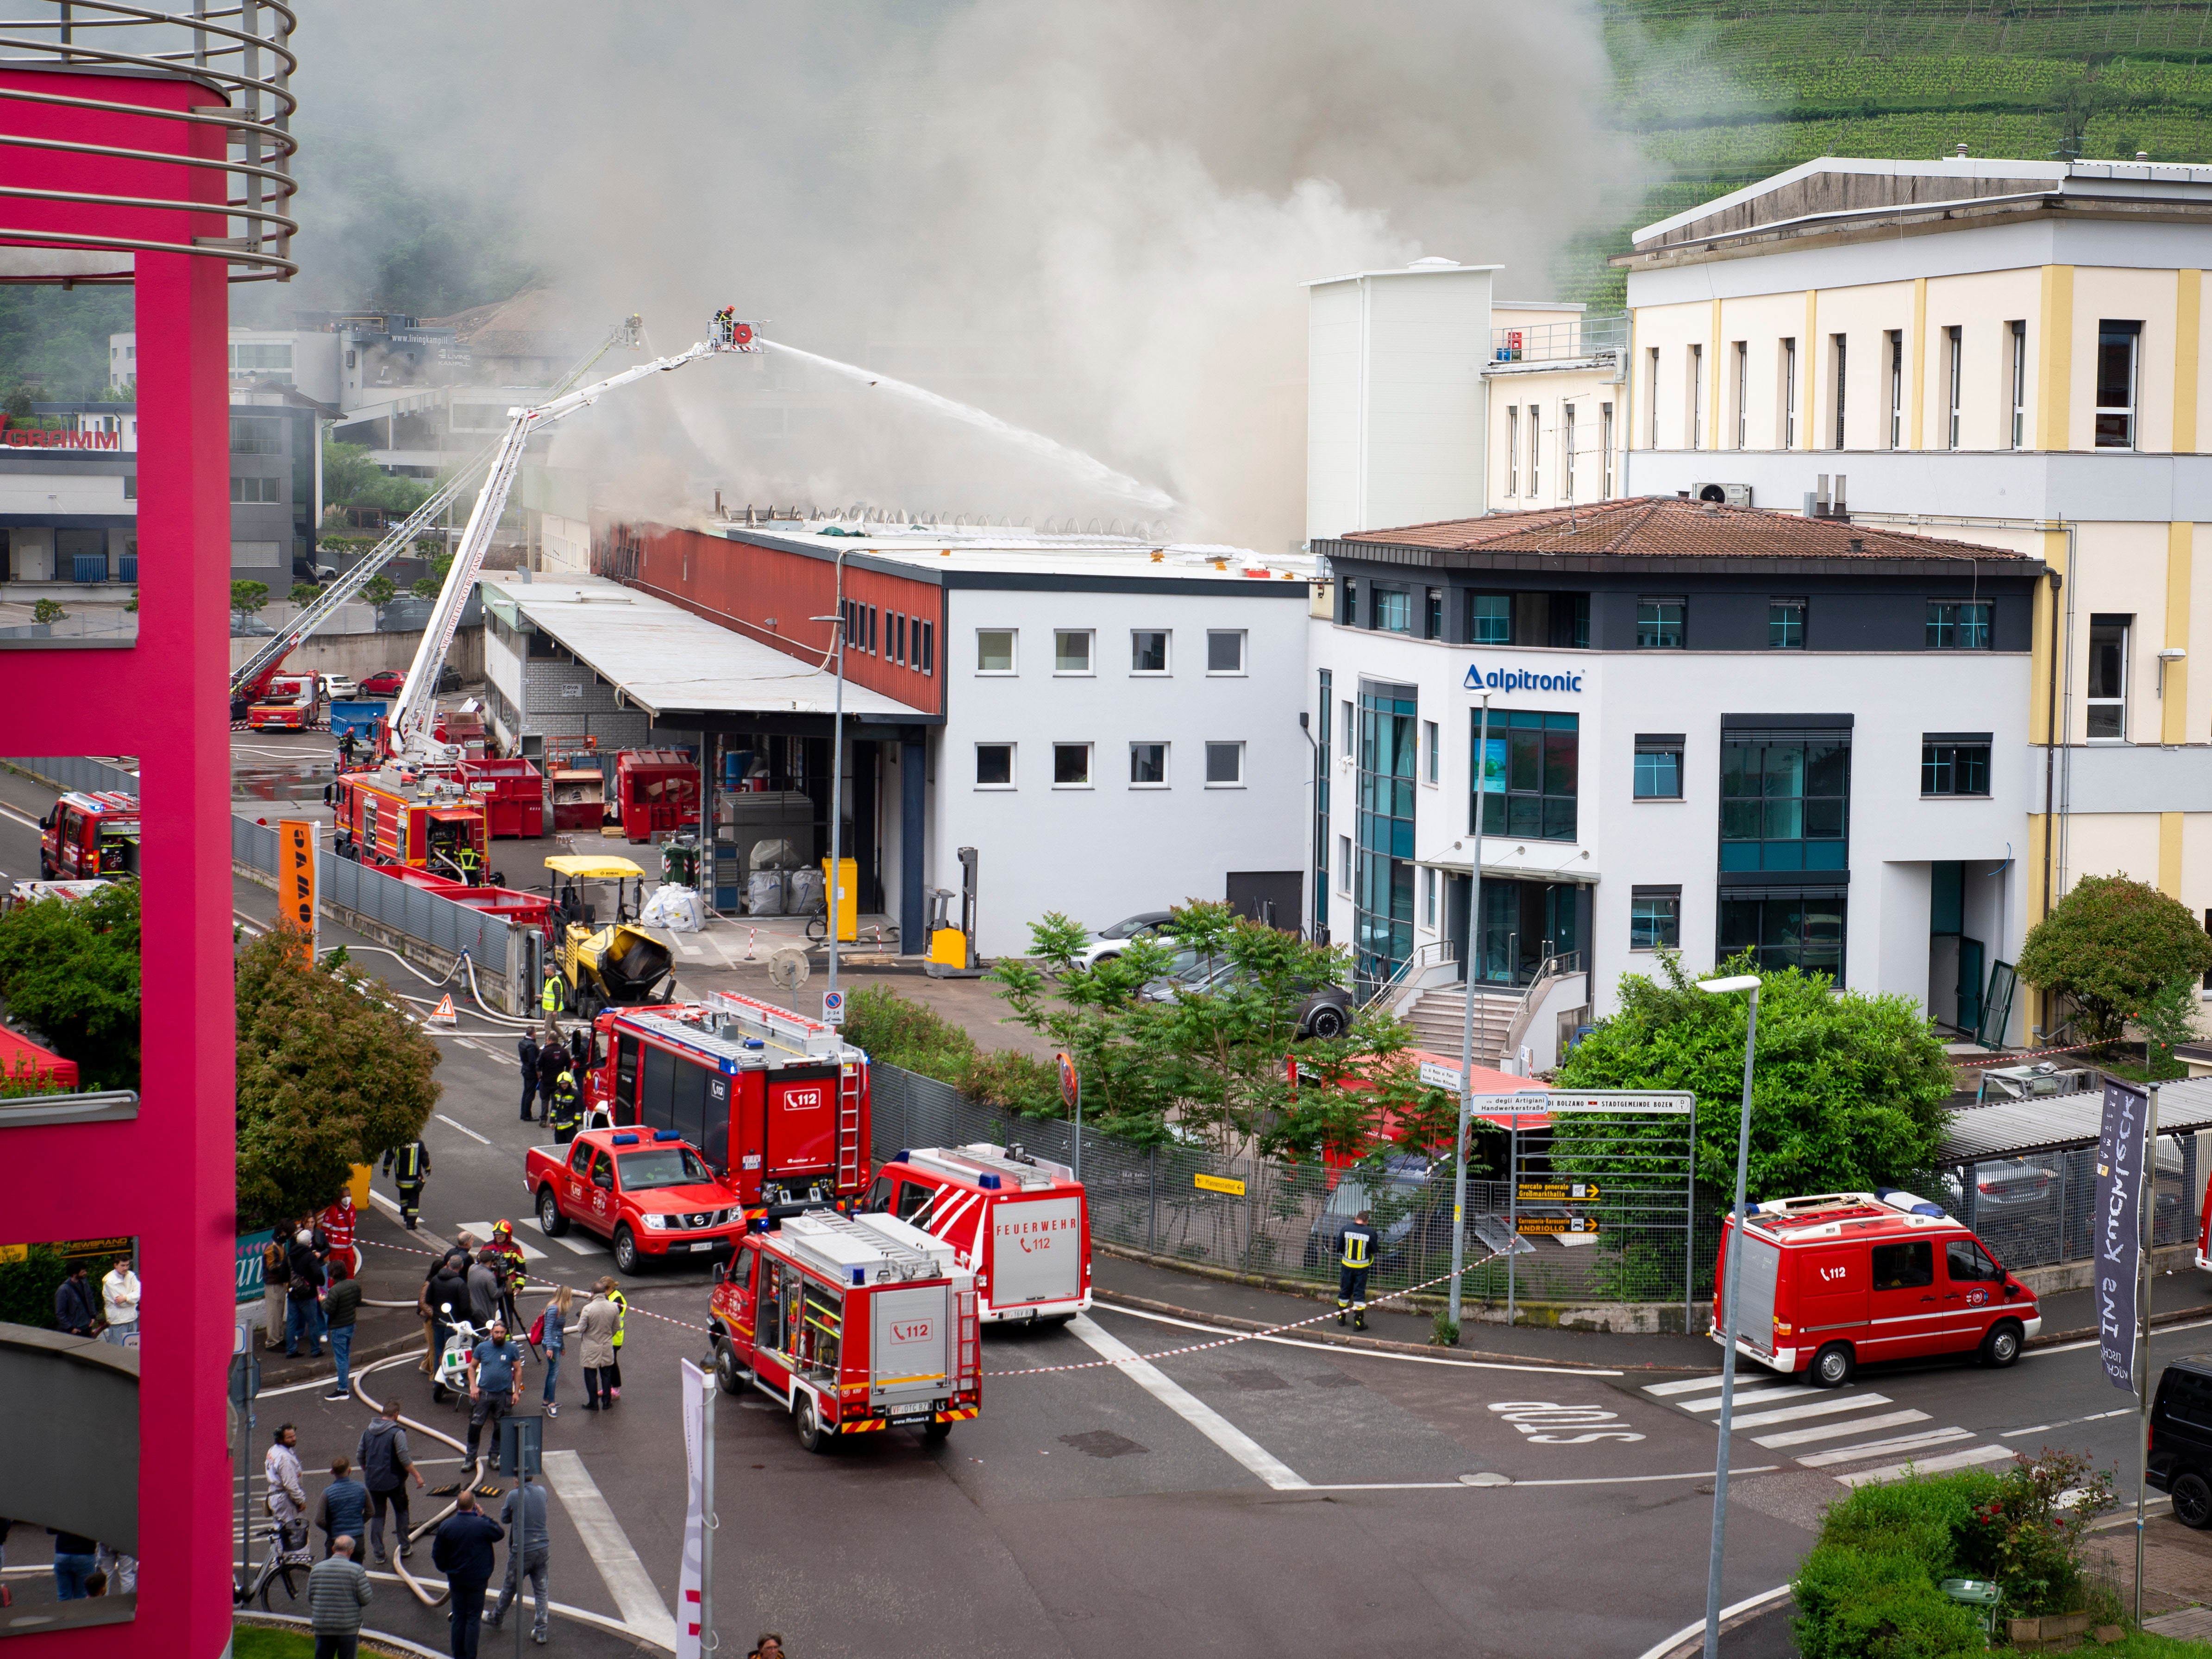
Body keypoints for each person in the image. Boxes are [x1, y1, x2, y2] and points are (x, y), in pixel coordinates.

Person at [430, 1489, 504, 1659]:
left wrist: (445, 1569)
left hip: (456, 1578)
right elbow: (499, 1533)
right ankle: (470, 1656)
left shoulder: (446, 1526)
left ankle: (458, 1655)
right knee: (472, 1618)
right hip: (478, 1579)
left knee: (458, 1617)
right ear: (474, 1506)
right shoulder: (482, 1525)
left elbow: (437, 1554)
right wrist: (484, 1516)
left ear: (456, 1506)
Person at [358, 1396, 424, 1566]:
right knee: (401, 1512)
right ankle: (405, 1546)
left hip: (373, 1483)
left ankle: (379, 1554)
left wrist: (368, 1470)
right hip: (394, 1482)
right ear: (396, 1415)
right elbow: (404, 1458)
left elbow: (360, 1455)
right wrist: (417, 1476)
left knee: (378, 1517)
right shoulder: (397, 1433)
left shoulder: (367, 1431)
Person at [485, 1475, 550, 1645]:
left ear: (517, 1479)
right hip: (542, 1547)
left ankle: (497, 1618)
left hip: (522, 1551)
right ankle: (541, 1631)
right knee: (541, 1589)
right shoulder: (542, 1491)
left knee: (510, 1587)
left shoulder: (514, 1495)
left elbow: (505, 1518)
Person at [464, 1318, 524, 1475]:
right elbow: (472, 1367)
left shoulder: (512, 1349)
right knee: (475, 1426)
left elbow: (518, 1370)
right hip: (484, 1393)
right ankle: (470, 1458)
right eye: (496, 1332)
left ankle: (494, 1457)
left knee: (500, 1428)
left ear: (506, 1334)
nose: (499, 1335)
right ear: (491, 1333)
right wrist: (473, 1387)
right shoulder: (482, 1348)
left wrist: (516, 1392)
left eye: (502, 1333)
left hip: (504, 1395)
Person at [307, 1533, 373, 1659]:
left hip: (323, 1626)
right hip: (347, 1627)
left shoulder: (316, 1569)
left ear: (333, 1549)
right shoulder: (357, 1570)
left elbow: (311, 1597)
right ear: (351, 1551)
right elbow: (366, 1599)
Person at [428, 1250, 471, 1402]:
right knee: (454, 1353)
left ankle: (437, 1381)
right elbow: (466, 1308)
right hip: (454, 1324)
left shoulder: (435, 1280)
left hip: (438, 1321)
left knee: (439, 1352)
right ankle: (452, 1380)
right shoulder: (460, 1283)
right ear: (461, 1267)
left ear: (448, 1265)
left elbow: (429, 1299)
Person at [266, 1423, 308, 1561]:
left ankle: (278, 1559)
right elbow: (290, 1484)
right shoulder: (284, 1458)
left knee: (280, 1529)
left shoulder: (274, 1450)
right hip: (285, 1498)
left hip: (275, 1495)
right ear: (280, 1439)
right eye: (289, 1437)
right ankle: (300, 1561)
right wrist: (300, 1501)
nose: (294, 1439)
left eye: (294, 1436)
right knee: (297, 1530)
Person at [313, 1457, 369, 1560]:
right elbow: (371, 1511)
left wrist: (332, 1529)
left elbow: (319, 1520)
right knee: (356, 1571)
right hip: (357, 1539)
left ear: (332, 1472)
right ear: (350, 1471)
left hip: (336, 1540)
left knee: (334, 1572)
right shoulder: (361, 1488)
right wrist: (359, 1522)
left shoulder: (327, 1493)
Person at [324, 1258, 362, 1401]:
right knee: (345, 1356)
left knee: (341, 1358)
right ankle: (343, 1385)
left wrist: (322, 1301)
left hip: (338, 1328)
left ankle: (343, 1389)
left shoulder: (334, 1291)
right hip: (351, 1324)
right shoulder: (354, 1285)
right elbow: (358, 1302)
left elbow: (329, 1310)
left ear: (333, 1275)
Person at [287, 1226, 329, 1358]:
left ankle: (291, 1350)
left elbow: (284, 1273)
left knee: (292, 1322)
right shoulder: (309, 1256)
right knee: (313, 1322)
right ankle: (316, 1350)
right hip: (308, 1294)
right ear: (309, 1242)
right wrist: (320, 1283)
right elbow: (318, 1273)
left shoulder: (290, 1255)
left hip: (293, 1294)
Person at [577, 1283, 619, 1410]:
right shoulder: (614, 1307)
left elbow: (581, 1328)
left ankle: (593, 1403)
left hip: (591, 1347)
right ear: (605, 1293)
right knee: (606, 1375)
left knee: (590, 1375)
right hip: (606, 1346)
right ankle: (607, 1402)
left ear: (592, 1293)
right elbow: (617, 1327)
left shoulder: (588, 1309)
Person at [1337, 1209, 1377, 1331]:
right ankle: (1358, 1323)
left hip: (1347, 1267)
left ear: (1356, 1218)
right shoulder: (1370, 1232)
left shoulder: (1345, 1229)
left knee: (1345, 1291)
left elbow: (1339, 1247)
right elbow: (1375, 1250)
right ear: (1366, 1221)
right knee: (1359, 1293)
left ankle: (1341, 1319)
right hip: (1362, 1269)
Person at [538, 1285, 573, 1418]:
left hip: (556, 1343)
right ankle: (551, 1404)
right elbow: (548, 1329)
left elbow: (559, 1330)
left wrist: (562, 1346)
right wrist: (550, 1348)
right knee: (554, 1373)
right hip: (552, 1344)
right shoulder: (554, 1309)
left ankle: (546, 1400)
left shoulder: (558, 1309)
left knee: (552, 1372)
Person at [488, 1221, 528, 1335]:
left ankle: (507, 1336)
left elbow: (521, 1268)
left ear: (508, 1235)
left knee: (507, 1312)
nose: (498, 1236)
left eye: (501, 1234)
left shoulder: (515, 1248)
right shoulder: (488, 1246)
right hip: (491, 1284)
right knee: (488, 1311)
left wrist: (520, 1286)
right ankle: (489, 1335)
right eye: (496, 1234)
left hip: (508, 1286)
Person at [384, 1138, 430, 1231]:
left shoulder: (395, 1143)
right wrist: (428, 1168)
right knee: (413, 1200)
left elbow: (389, 1157)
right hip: (414, 1180)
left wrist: (386, 1169)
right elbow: (424, 1158)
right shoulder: (419, 1143)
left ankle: (405, 1215)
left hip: (401, 1179)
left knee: (404, 1198)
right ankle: (411, 1223)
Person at [99, 1255, 140, 1347]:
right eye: (123, 1265)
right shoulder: (109, 1281)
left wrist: (126, 1298)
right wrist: (133, 1298)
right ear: (115, 1265)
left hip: (132, 1319)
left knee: (133, 1349)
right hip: (118, 1321)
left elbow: (140, 1293)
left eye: (127, 1265)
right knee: (117, 1350)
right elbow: (122, 1305)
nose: (126, 1268)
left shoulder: (131, 1276)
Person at [321, 1189, 360, 1279]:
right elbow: (324, 1231)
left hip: (349, 1248)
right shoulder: (333, 1211)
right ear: (339, 1197)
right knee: (334, 1273)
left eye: (349, 1196)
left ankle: (350, 1287)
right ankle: (332, 1290)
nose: (347, 1198)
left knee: (350, 1270)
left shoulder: (353, 1209)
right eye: (344, 1196)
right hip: (336, 1250)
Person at [46, 1530, 96, 1600]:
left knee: (63, 1596)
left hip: (62, 1554)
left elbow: (51, 1530)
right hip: (85, 1553)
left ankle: (63, 1611)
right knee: (82, 1596)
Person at [263, 1234, 292, 1350]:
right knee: (274, 1313)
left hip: (279, 1282)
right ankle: (272, 1342)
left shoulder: (280, 1245)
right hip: (273, 1283)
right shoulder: (273, 1246)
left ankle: (278, 1338)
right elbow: (272, 1267)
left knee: (279, 1312)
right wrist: (286, 1265)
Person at [53, 1262, 97, 1337]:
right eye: (83, 1272)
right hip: (76, 1329)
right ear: (74, 1274)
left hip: (87, 1327)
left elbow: (90, 1299)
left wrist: (93, 1316)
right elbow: (60, 1313)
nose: (85, 1273)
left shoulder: (84, 1283)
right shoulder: (64, 1290)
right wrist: (70, 1328)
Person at [466, 1248, 502, 1334]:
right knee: (485, 1335)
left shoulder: (472, 1268)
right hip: (485, 1313)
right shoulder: (490, 1276)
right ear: (492, 1261)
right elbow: (495, 1294)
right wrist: (503, 1289)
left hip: (473, 1308)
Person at [605, 1277, 628, 1400]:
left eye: (604, 1290)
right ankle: (608, 1386)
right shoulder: (610, 1296)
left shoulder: (617, 1299)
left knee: (612, 1363)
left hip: (615, 1337)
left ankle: (615, 1389)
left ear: (610, 1288)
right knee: (608, 1363)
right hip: (610, 1336)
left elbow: (612, 1316)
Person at [546, 1068, 582, 1146]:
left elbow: (579, 1110)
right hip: (559, 1128)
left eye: (566, 1083)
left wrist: (575, 1123)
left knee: (570, 1146)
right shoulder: (557, 1094)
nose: (564, 1085)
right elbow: (554, 1109)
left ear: (569, 1083)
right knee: (559, 1146)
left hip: (570, 1128)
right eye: (562, 1084)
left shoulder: (576, 1094)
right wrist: (552, 1121)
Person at [516, 1032, 541, 1122]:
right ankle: (527, 1115)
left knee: (526, 1092)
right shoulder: (532, 1046)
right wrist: (538, 1073)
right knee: (530, 1094)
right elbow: (533, 1062)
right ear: (533, 1034)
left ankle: (524, 1113)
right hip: (531, 1073)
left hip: (525, 1070)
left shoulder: (522, 1042)